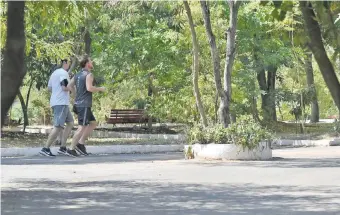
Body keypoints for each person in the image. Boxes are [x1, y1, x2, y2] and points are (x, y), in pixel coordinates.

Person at [67, 55, 105, 156]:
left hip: (79, 104)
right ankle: (71, 149)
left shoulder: (77, 75)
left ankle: (81, 144)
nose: (92, 63)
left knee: (93, 123)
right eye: (90, 61)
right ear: (87, 63)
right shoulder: (89, 75)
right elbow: (89, 88)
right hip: (84, 105)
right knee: (81, 127)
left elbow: (69, 86)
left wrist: (76, 94)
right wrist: (100, 89)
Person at [40, 59, 75, 157]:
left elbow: (49, 88)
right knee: (58, 126)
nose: (69, 65)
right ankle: (46, 148)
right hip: (61, 103)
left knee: (70, 123)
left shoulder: (54, 73)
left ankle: (63, 147)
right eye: (69, 63)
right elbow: (64, 87)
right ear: (64, 63)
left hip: (58, 102)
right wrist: (72, 87)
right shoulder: (63, 73)